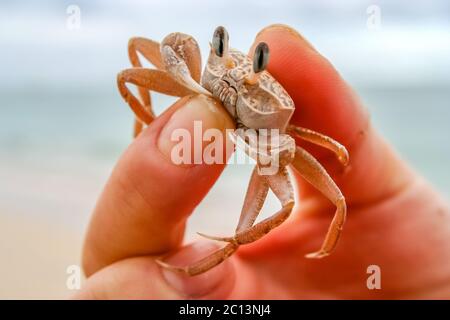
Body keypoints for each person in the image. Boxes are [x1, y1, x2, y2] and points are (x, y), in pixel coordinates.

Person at [74, 25, 450, 299]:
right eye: (218, 52)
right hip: (208, 104)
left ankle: (230, 243)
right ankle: (146, 126)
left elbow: (332, 193)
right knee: (132, 71)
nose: (233, 84)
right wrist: (150, 121)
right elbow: (143, 51)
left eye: (248, 78)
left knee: (299, 199)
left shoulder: (280, 126)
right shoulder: (214, 65)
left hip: (266, 135)